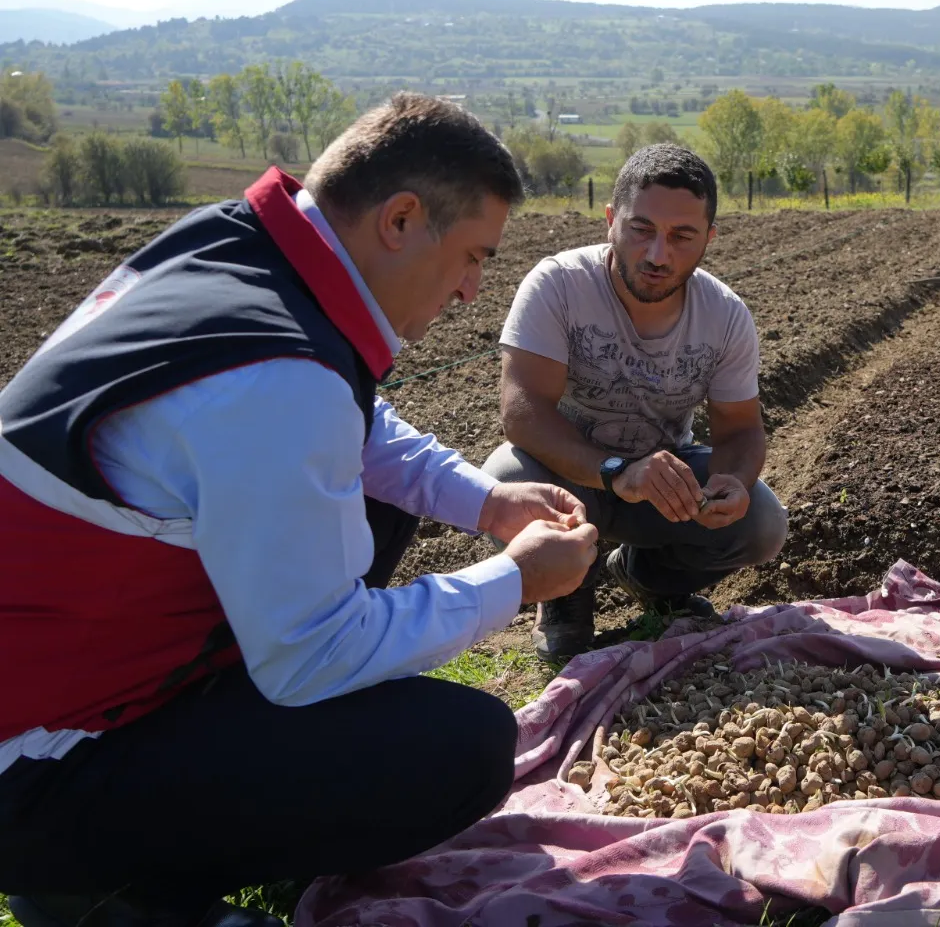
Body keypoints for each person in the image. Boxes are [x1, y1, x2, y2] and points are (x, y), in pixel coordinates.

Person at [0, 94, 599, 927]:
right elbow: (313, 656)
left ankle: (122, 844)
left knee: (376, 505)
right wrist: (514, 582)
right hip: (40, 764)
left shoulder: (241, 248)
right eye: (471, 257)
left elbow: (352, 427)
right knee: (461, 750)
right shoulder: (279, 381)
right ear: (400, 219)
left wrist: (488, 501)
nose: (471, 290)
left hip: (72, 671)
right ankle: (112, 893)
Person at [485, 143, 787, 662]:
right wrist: (617, 470)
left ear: (709, 239)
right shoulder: (559, 285)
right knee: (507, 479)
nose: (657, 254)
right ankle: (565, 598)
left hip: (664, 491)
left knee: (761, 522)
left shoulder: (725, 316)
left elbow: (740, 430)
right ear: (610, 220)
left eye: (682, 236)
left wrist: (733, 482)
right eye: (641, 229)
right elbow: (524, 411)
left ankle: (648, 578)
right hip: (570, 474)